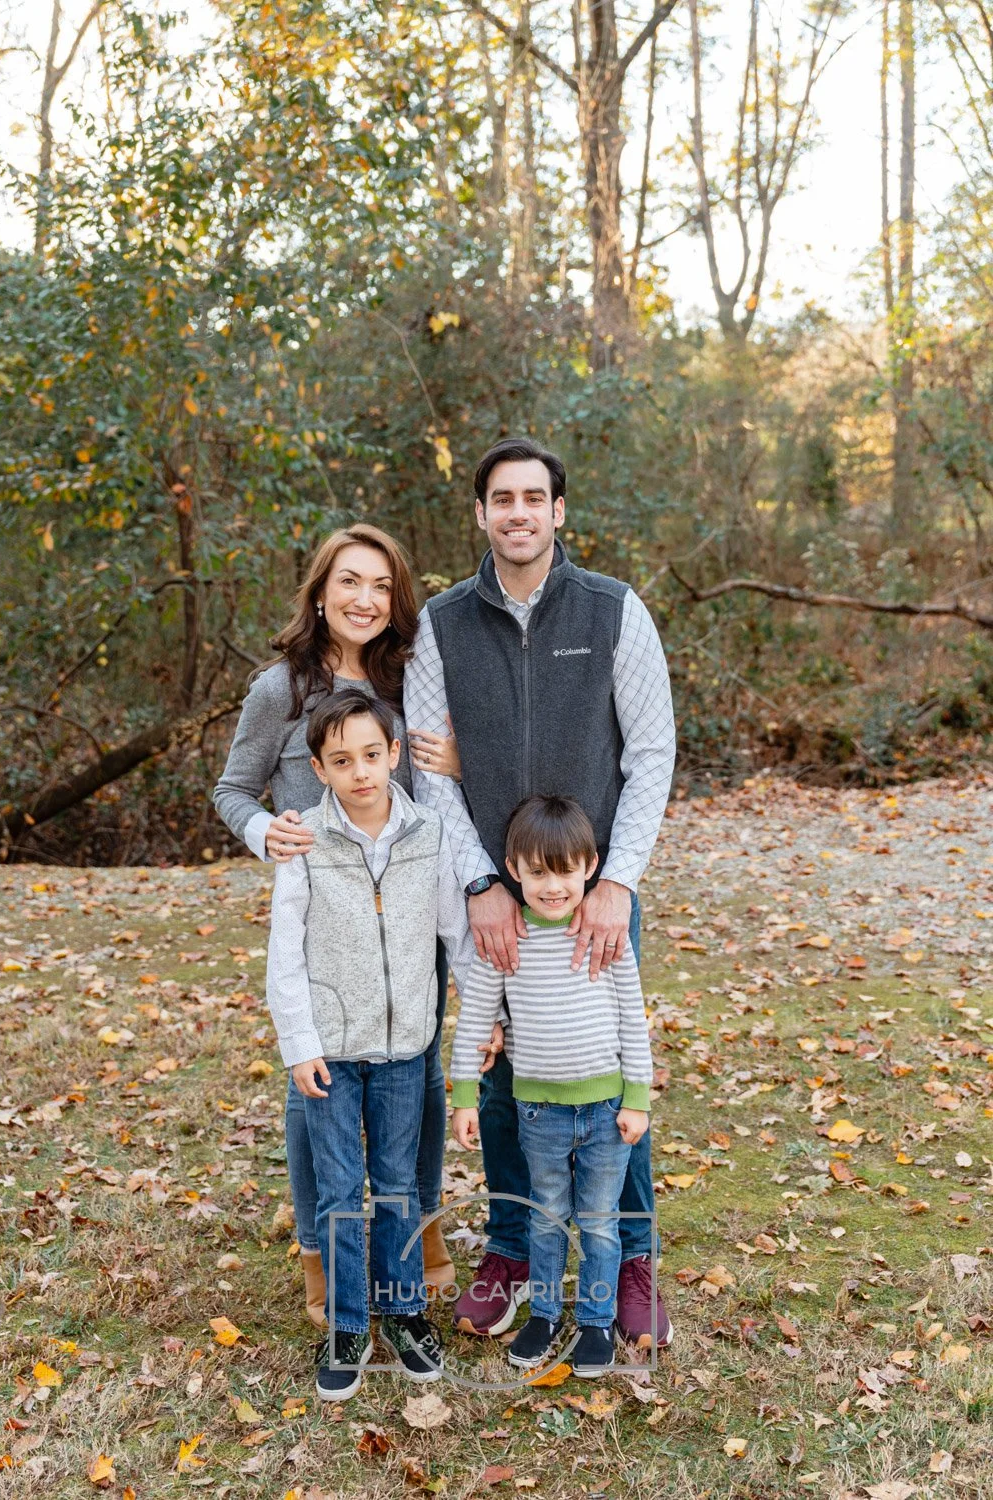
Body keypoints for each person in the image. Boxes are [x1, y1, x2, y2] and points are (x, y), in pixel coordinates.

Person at [403, 436, 677, 1351]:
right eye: (500, 499)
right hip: (493, 893)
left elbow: (651, 755)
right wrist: (479, 880)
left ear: (559, 511)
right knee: (510, 1074)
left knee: (604, 1075)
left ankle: (629, 1258)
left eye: (534, 498)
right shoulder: (442, 625)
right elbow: (428, 766)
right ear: (479, 514)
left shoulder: (612, 610)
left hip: (589, 895)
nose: (518, 512)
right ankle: (516, 1249)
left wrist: (619, 882)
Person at [213, 524, 463, 1328]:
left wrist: (460, 764)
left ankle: (416, 1228)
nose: (365, 600)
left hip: (413, 908)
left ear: (398, 601)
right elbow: (233, 790)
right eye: (349, 582)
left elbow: (439, 791)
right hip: (329, 923)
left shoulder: (415, 680)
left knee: (417, 1076)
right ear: (320, 592)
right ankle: (322, 1250)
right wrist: (264, 831)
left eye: (382, 586)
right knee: (313, 1083)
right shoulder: (278, 690)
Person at [266, 690, 475, 1400]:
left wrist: (481, 1016)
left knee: (398, 1186)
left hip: (405, 1048)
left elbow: (458, 936)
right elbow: (284, 954)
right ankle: (348, 1325)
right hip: (330, 1048)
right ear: (319, 769)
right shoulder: (304, 843)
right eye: (341, 760)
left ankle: (405, 1310)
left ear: (393, 755)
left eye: (371, 755)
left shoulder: (430, 834)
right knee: (337, 1192)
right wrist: (298, 1044)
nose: (360, 772)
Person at [450, 795, 652, 1376]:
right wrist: (464, 1095)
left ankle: (594, 1323)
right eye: (537, 872)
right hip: (537, 1111)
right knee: (544, 1215)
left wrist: (637, 1099)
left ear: (590, 865)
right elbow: (475, 1023)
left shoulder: (605, 939)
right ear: (513, 870)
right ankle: (542, 1315)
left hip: (607, 1111)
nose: (553, 886)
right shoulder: (507, 944)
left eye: (564, 870)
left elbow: (632, 1023)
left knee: (598, 1220)